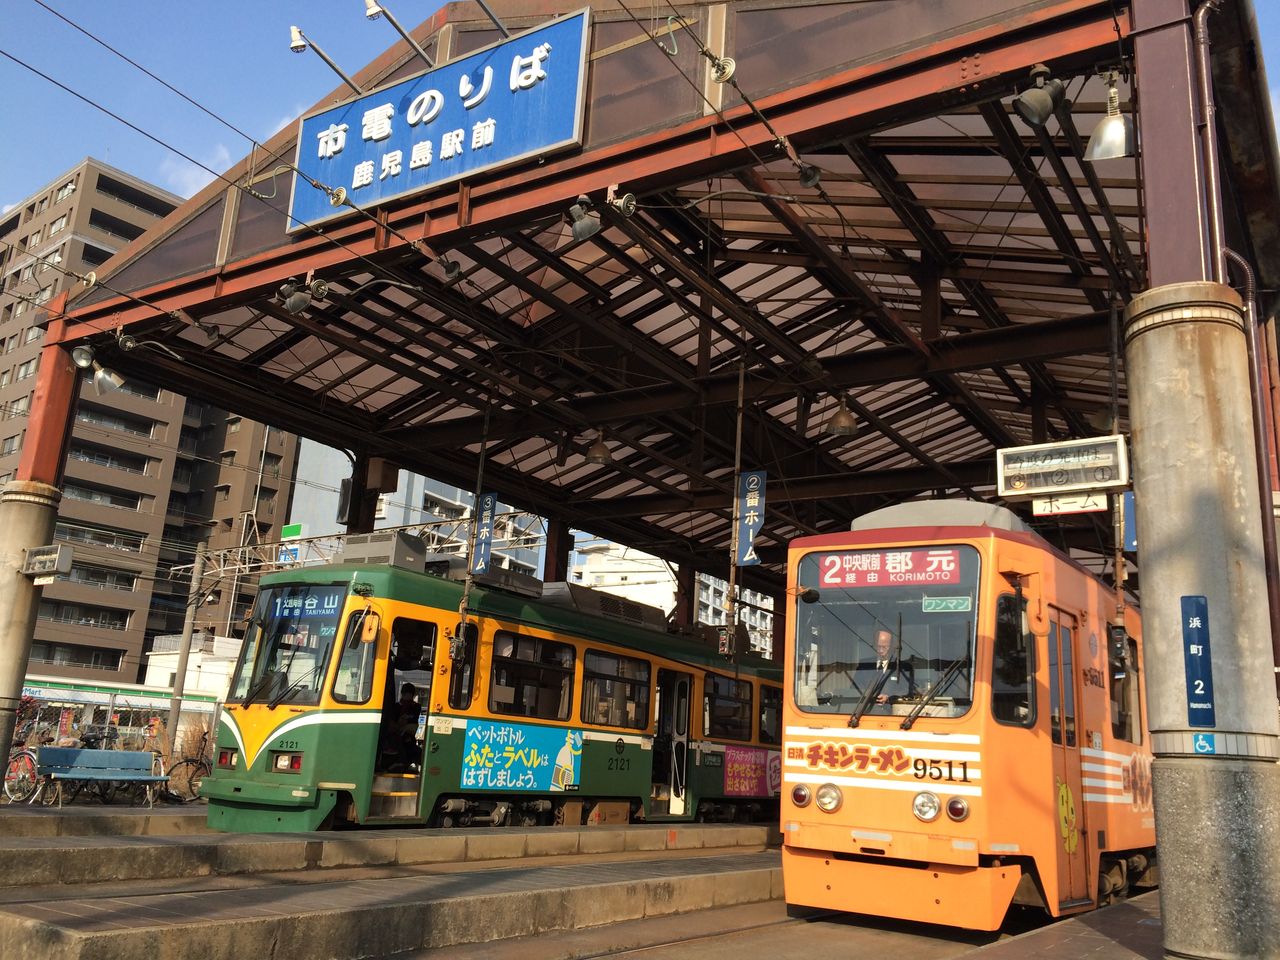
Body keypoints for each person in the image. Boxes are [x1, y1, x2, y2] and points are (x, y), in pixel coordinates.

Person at [866, 628, 916, 703]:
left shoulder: (903, 667)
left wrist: (889, 698)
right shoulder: (864, 664)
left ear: (892, 646)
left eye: (884, 647)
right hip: (865, 711)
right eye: (878, 646)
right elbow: (854, 690)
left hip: (891, 711)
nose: (881, 650)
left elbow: (908, 691)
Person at [383, 682, 422, 771]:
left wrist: (405, 726)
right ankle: (400, 762)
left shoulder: (416, 707)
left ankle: (405, 763)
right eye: (406, 694)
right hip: (395, 738)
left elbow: (413, 724)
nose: (408, 697)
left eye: (410, 695)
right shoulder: (396, 707)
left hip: (409, 737)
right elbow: (392, 724)